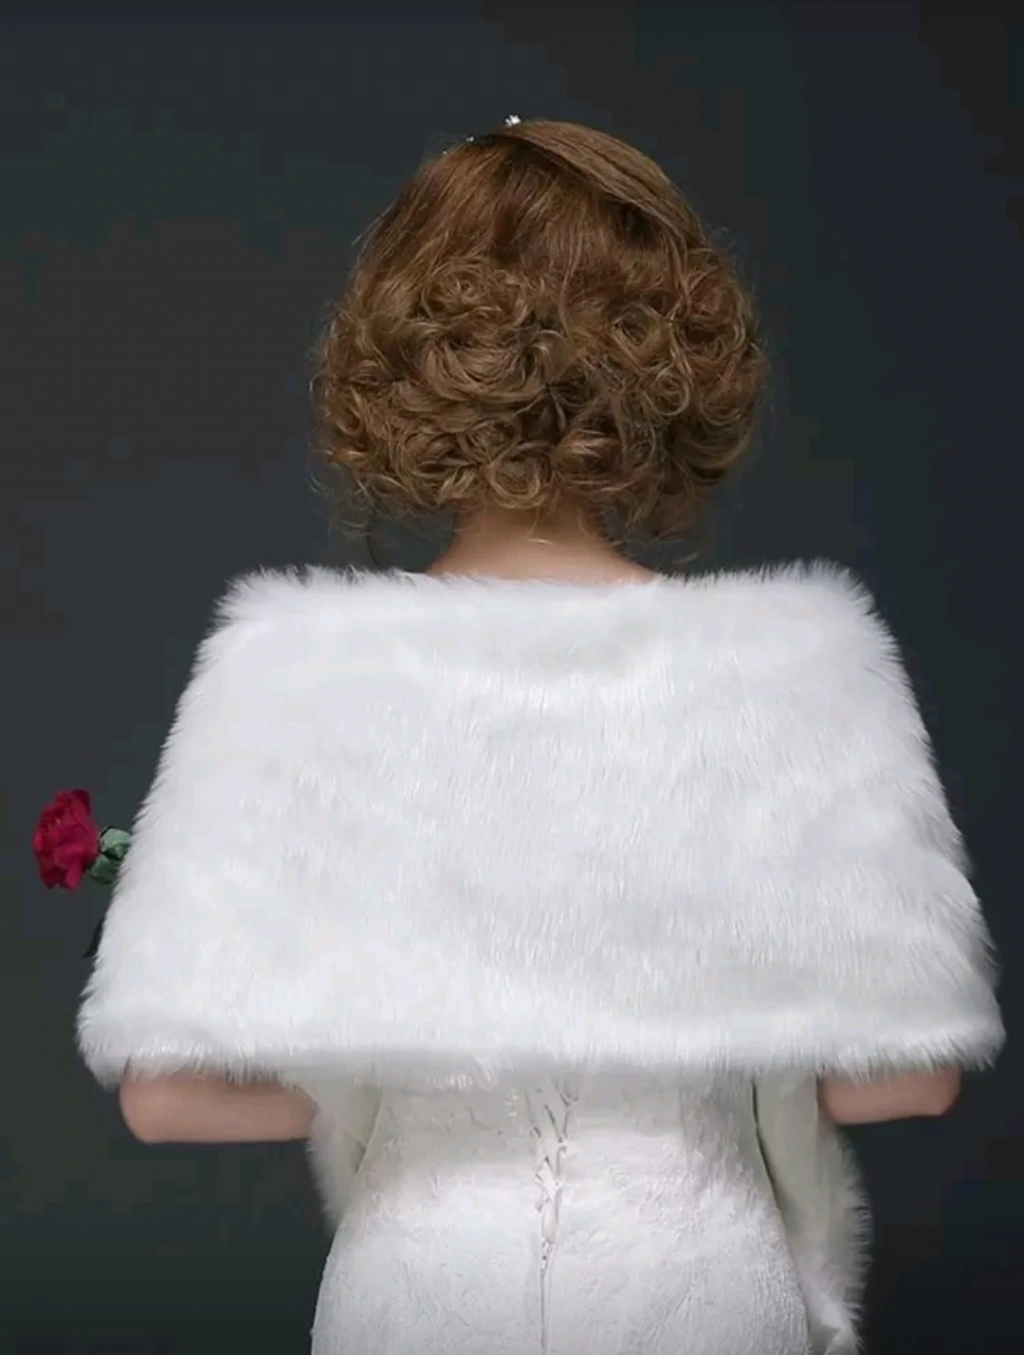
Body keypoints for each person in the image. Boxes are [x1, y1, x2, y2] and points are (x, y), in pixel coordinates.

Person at [78, 119, 1002, 1355]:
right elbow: (913, 1076)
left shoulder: (283, 668)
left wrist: (405, 1081)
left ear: (405, 360)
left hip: (417, 1287)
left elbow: (166, 1100)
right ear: (675, 357)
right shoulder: (801, 664)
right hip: (698, 1281)